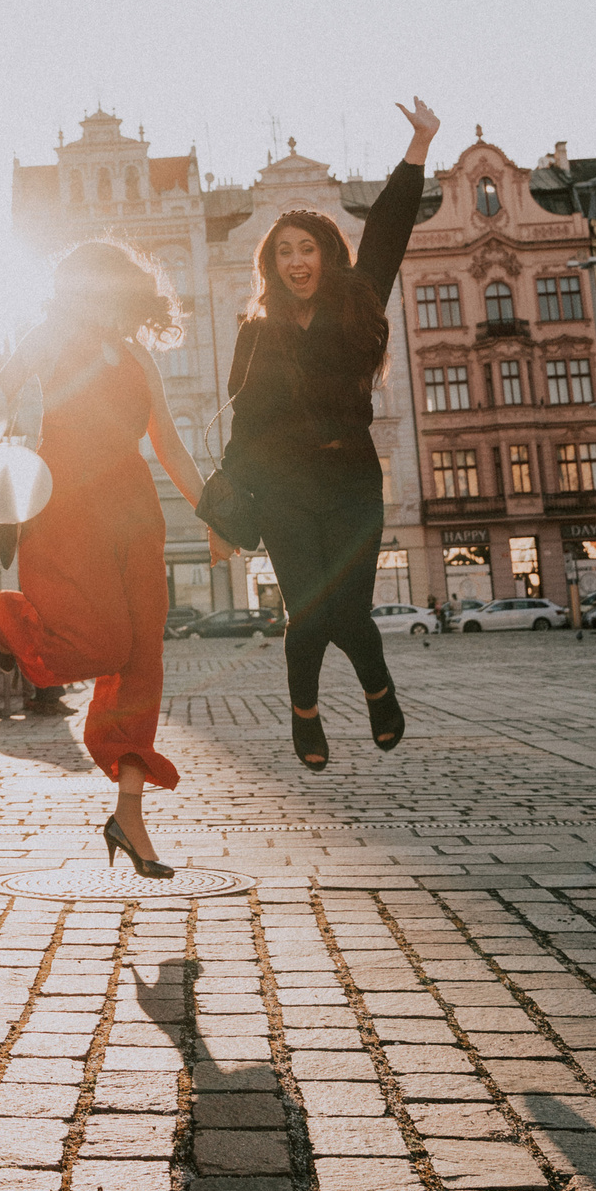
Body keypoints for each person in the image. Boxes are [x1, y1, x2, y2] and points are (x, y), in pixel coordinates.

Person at [223, 95, 441, 769]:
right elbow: (246, 422)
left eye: (306, 248)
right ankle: (305, 715)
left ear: (326, 254)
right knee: (309, 615)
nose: (296, 261)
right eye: (283, 251)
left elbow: (388, 231)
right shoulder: (257, 332)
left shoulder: (356, 303)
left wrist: (418, 148)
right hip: (284, 489)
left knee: (349, 613)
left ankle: (378, 690)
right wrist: (222, 505)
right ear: (270, 263)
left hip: (350, 482)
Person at [0, 241, 205, 879]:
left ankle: (129, 815)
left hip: (135, 507)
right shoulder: (48, 337)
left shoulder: (138, 355)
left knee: (142, 659)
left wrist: (216, 515)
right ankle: (7, 623)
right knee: (105, 641)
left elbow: (169, 445)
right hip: (67, 498)